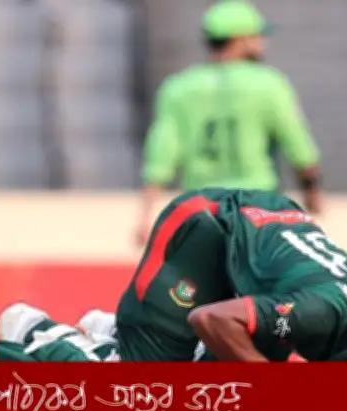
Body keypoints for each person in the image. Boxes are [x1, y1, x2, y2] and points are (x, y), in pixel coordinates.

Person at [0, 188, 347, 362]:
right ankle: (35, 331)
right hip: (207, 226)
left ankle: (122, 331)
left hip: (265, 236)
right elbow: (212, 319)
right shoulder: (313, 315)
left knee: (255, 356)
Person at [135, 0, 322, 247]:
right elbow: (299, 146)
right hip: (256, 207)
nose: (262, 42)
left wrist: (145, 216)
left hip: (202, 209)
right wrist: (312, 195)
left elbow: (161, 156)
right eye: (257, 36)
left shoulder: (178, 88)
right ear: (240, 39)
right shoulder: (269, 84)